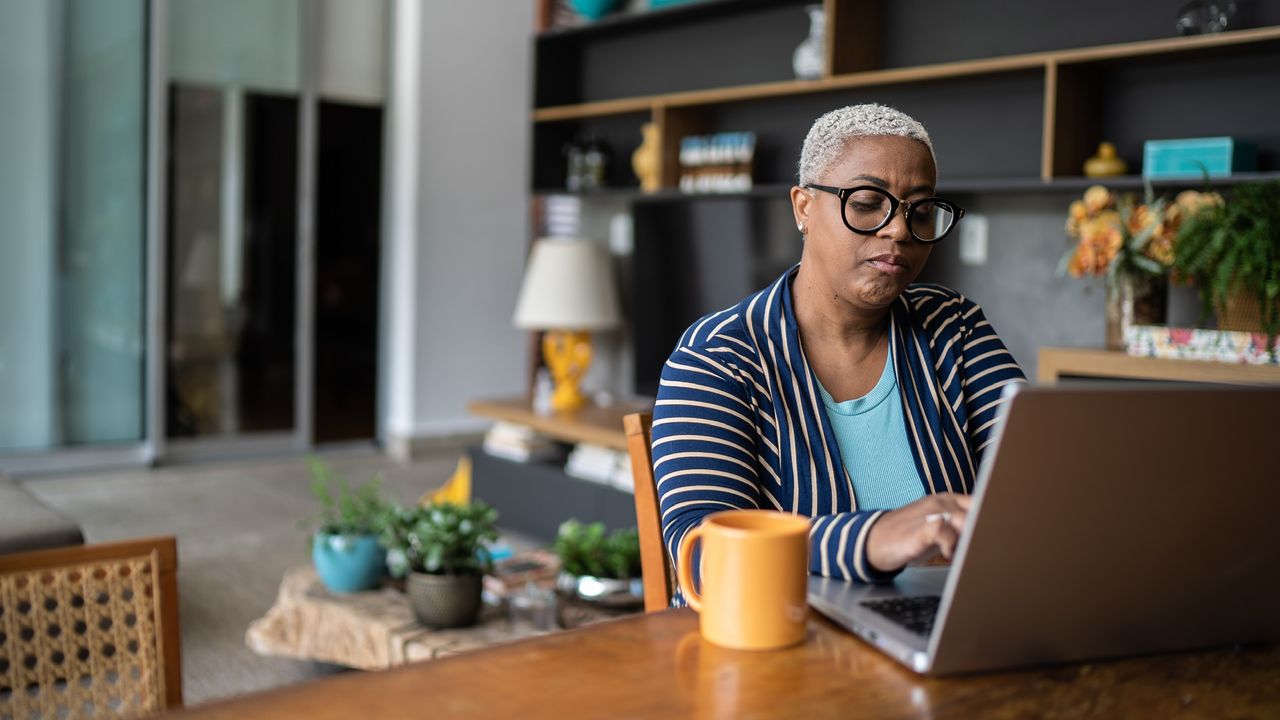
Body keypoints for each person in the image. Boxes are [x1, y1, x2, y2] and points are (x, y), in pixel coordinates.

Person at [651, 104, 1026, 589]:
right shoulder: (718, 359)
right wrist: (871, 539)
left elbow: (1033, 482)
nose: (897, 230)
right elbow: (701, 556)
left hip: (948, 629)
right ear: (803, 207)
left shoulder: (953, 328)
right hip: (789, 644)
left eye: (921, 210)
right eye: (868, 202)